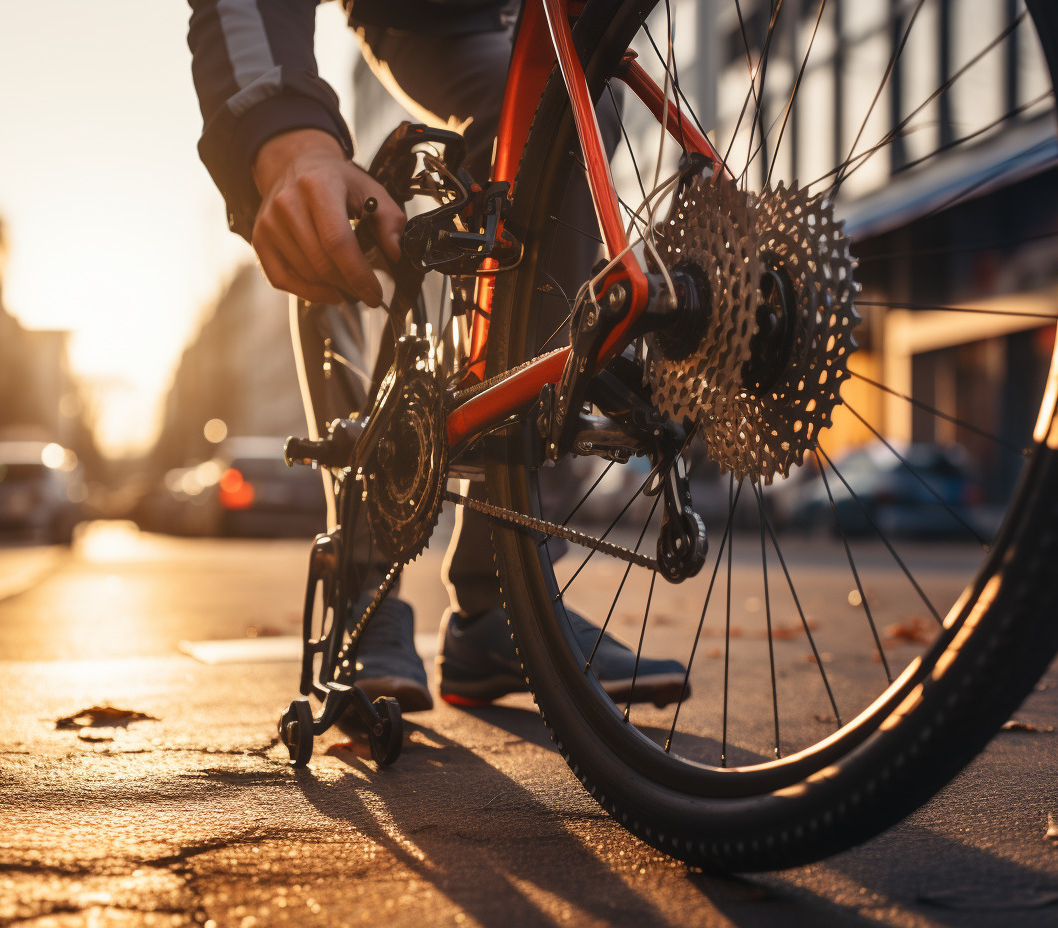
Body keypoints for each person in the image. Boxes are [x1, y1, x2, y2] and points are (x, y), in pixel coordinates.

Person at [187, 0, 690, 713]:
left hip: (527, 15)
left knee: (580, 115)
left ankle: (504, 599)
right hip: (430, 13)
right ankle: (364, 581)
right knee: (334, 215)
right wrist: (287, 139)